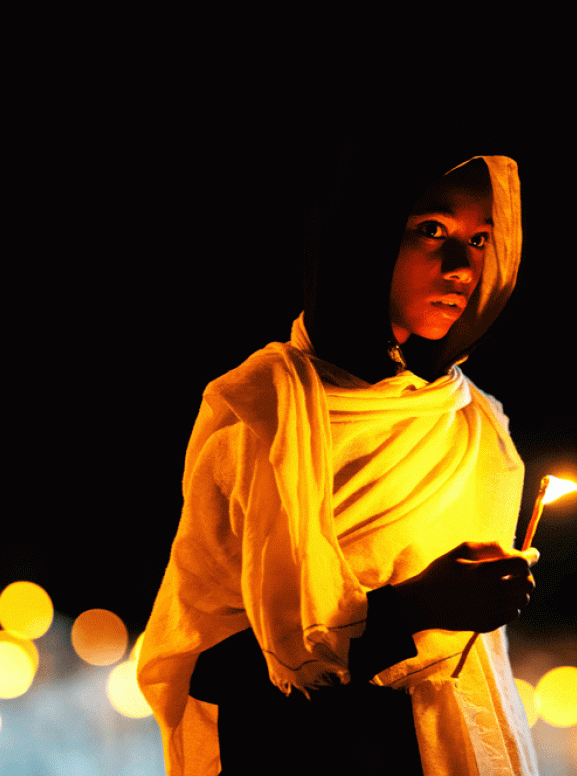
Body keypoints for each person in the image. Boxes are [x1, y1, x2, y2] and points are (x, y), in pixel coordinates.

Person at [137, 134, 540, 775]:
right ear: (365, 237)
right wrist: (415, 609)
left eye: (481, 239)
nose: (462, 266)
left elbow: (473, 665)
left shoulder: (473, 423)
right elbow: (209, 668)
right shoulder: (266, 417)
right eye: (431, 230)